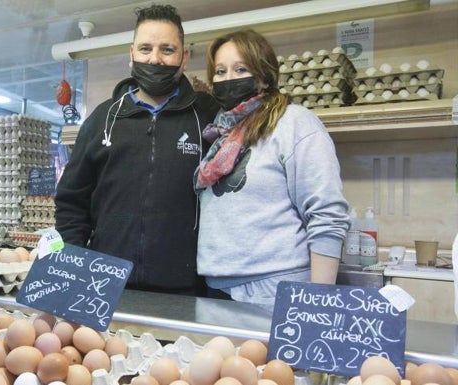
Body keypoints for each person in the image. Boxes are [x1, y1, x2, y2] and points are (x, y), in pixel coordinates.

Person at [54, 4, 219, 295]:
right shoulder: (101, 120)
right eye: (145, 49)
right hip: (104, 285)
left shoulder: (207, 118)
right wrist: (74, 267)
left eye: (167, 50)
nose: (154, 58)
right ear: (131, 55)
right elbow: (71, 203)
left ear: (183, 58)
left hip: (186, 289)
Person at [194, 29, 349, 311]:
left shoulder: (294, 123)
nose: (228, 79)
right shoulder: (220, 133)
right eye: (220, 71)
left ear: (264, 75)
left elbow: (327, 215)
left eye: (240, 69)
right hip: (216, 289)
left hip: (275, 290)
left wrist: (317, 305)